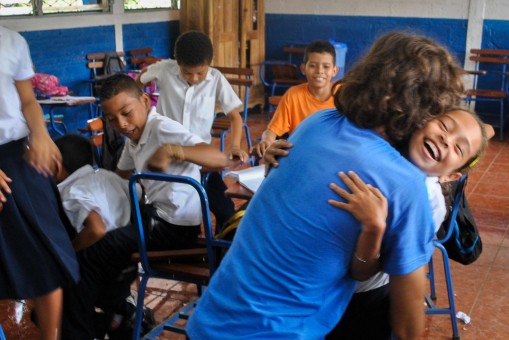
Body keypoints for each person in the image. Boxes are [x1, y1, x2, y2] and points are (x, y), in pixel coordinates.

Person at [187, 31, 465, 339]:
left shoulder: (316, 124)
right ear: (424, 111)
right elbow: (408, 330)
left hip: (208, 321)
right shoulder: (406, 184)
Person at [264, 108, 493, 338]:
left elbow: (364, 272)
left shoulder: (426, 201)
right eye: (444, 126)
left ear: (452, 176)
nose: (446, 139)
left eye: (458, 147)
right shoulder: (377, 146)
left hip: (360, 300)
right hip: (308, 286)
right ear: (424, 121)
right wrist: (280, 163)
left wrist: (373, 227)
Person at [61, 74, 239, 339]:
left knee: (89, 255)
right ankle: (120, 313)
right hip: (155, 219)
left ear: (145, 101)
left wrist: (173, 151)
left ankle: (82, 328)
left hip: (171, 226)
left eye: (126, 113)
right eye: (111, 119)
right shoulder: (134, 138)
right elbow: (119, 176)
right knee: (112, 243)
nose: (120, 124)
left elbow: (218, 158)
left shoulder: (161, 128)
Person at [0, 26, 79, 339]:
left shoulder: (11, 41)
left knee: (47, 257)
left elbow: (27, 100)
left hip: (17, 156)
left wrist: (42, 134)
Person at [136, 30, 249, 161]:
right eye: (187, 72)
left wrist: (235, 147)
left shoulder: (216, 78)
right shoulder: (165, 69)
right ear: (177, 62)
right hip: (164, 149)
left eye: (200, 73)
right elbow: (141, 78)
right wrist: (139, 104)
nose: (194, 78)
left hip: (199, 152)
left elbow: (235, 118)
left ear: (209, 63)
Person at [250, 40, 338, 158]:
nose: (319, 71)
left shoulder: (344, 95)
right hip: (300, 158)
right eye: (313, 65)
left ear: (334, 71)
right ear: (303, 69)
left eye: (326, 66)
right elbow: (271, 131)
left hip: (333, 158)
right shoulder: (293, 95)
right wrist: (266, 141)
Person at [54, 134, 132, 251]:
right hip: (128, 243)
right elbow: (139, 196)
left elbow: (97, 230)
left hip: (103, 251)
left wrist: (71, 250)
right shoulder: (105, 175)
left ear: (57, 166)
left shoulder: (72, 192)